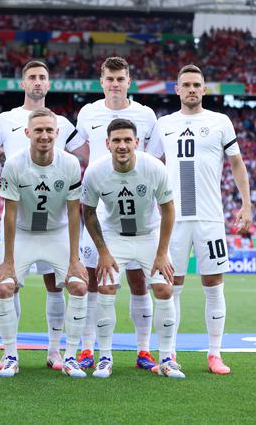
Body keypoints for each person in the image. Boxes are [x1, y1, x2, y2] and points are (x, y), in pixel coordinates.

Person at [0, 60, 88, 370]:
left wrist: (74, 255)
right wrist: (7, 257)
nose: (38, 82)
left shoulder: (65, 134)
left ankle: (60, 353)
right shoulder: (6, 122)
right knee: (6, 284)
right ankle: (9, 353)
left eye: (43, 77)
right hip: (23, 226)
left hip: (54, 228)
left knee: (62, 285)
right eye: (32, 77)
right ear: (23, 82)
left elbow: (78, 190)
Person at [156, 64, 252, 374]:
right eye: (186, 84)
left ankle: (214, 354)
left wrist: (246, 204)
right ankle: (168, 355)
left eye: (197, 84)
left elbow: (237, 164)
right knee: (172, 286)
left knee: (213, 284)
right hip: (174, 219)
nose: (192, 89)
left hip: (210, 217)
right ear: (177, 89)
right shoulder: (164, 124)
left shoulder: (220, 122)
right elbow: (151, 165)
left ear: (205, 89)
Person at [75, 56, 163, 370]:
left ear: (129, 81)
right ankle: (88, 350)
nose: (115, 84)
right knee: (94, 282)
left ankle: (143, 350)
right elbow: (81, 152)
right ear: (102, 82)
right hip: (98, 213)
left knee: (140, 281)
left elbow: (153, 160)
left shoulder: (145, 115)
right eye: (109, 79)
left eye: (120, 79)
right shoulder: (88, 112)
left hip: (138, 210)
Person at [81, 118, 184, 379]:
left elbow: (169, 209)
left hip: (149, 236)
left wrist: (162, 253)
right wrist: (103, 251)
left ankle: (166, 359)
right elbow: (88, 211)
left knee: (164, 288)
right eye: (116, 140)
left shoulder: (153, 168)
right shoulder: (95, 171)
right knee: (105, 287)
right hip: (114, 236)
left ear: (137, 142)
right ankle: (105, 357)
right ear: (107, 144)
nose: (122, 145)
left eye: (128, 140)